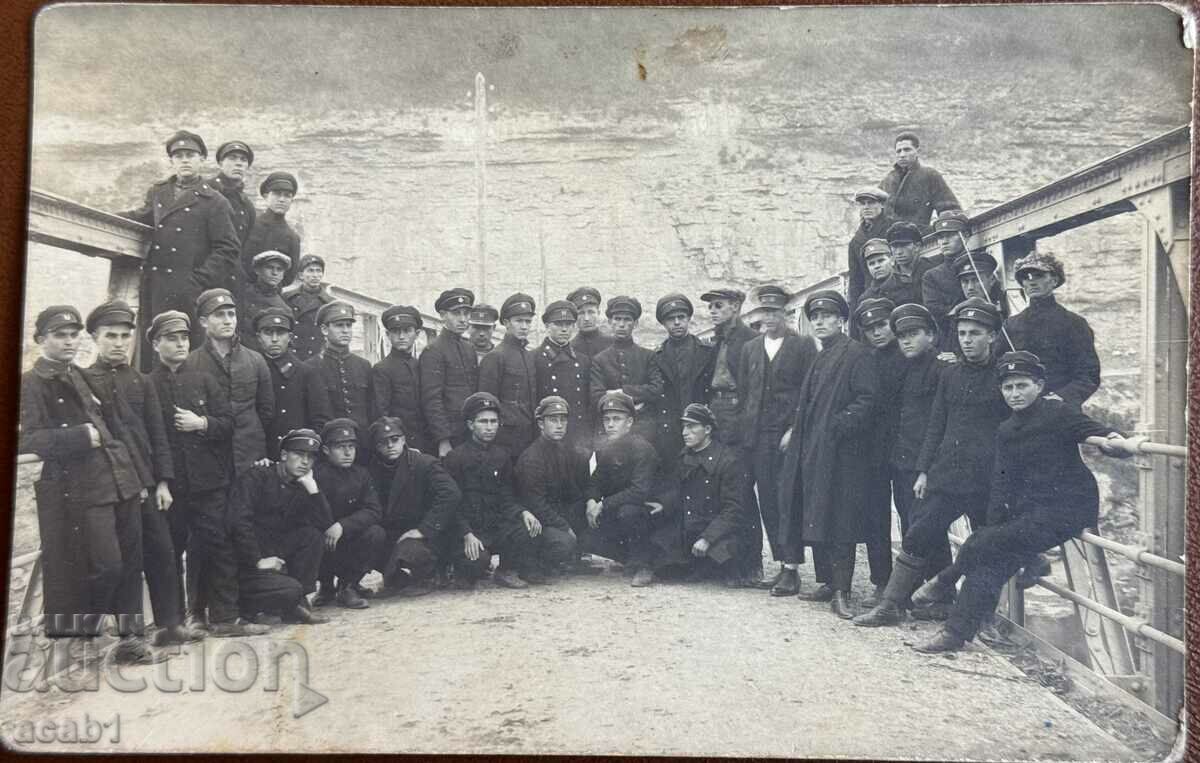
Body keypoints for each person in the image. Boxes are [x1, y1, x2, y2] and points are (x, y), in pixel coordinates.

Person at [909, 352, 1131, 652]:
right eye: (1008, 388)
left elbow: (1099, 433)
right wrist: (994, 523)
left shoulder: (1058, 414)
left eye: (1022, 386)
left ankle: (947, 580)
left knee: (983, 544)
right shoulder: (1006, 429)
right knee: (988, 559)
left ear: (1038, 386)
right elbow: (1002, 484)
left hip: (1067, 508)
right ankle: (954, 634)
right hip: (1029, 514)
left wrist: (1114, 441)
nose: (1014, 394)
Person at [19, 306, 161, 663]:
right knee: (107, 565)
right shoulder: (31, 384)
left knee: (131, 564)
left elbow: (115, 427)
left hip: (120, 479)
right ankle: (85, 633)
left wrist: (140, 478)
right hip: (83, 490)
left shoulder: (81, 375)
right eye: (59, 335)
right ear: (40, 341)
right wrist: (79, 436)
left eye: (72, 335)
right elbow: (27, 439)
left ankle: (131, 640)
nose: (68, 342)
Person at [859, 298, 1010, 627]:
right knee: (918, 534)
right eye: (963, 333)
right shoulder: (951, 374)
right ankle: (890, 605)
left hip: (988, 478)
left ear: (993, 336)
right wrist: (925, 470)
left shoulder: (1004, 376)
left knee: (986, 543)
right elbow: (936, 426)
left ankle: (979, 617)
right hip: (948, 474)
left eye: (975, 333)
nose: (967, 340)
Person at [83, 301, 204, 646]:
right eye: (110, 336)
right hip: (115, 487)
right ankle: (128, 636)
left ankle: (170, 625)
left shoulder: (141, 381)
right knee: (125, 560)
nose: (119, 343)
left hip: (148, 484)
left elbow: (157, 435)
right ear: (95, 338)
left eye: (125, 336)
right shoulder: (84, 381)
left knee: (163, 552)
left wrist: (163, 481)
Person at [147, 311, 265, 637]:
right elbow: (149, 440)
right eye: (171, 339)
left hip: (209, 482)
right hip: (171, 486)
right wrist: (161, 481)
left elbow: (228, 425)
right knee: (170, 551)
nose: (180, 344)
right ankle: (178, 622)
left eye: (184, 338)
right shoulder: (148, 385)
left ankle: (225, 618)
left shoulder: (203, 380)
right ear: (156, 344)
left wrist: (202, 423)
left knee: (219, 545)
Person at [775, 290, 878, 619]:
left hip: (842, 453)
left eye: (827, 316)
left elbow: (866, 400)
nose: (820, 322)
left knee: (839, 518)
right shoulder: (821, 354)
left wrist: (836, 427)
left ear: (842, 320)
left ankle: (842, 591)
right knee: (816, 510)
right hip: (814, 448)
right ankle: (827, 581)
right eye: (815, 317)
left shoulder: (857, 354)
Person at [853, 304, 952, 626]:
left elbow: (940, 420)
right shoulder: (902, 366)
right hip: (902, 456)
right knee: (915, 523)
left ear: (931, 335)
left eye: (912, 335)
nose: (905, 341)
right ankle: (914, 594)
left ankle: (936, 595)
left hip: (927, 460)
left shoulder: (942, 368)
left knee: (925, 527)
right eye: (903, 336)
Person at [118, 131, 241, 370]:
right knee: (152, 346)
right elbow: (142, 217)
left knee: (184, 351)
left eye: (191, 155)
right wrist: (107, 218)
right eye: (179, 156)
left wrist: (197, 280)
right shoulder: (158, 192)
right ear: (172, 161)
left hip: (187, 291)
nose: (185, 160)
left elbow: (228, 248)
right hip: (155, 284)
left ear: (202, 159)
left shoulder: (215, 201)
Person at [735, 285, 818, 590]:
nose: (769, 318)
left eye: (775, 312)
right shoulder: (751, 349)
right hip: (757, 437)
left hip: (787, 436)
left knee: (789, 499)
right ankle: (781, 563)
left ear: (786, 313)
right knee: (768, 499)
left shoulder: (803, 346)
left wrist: (795, 429)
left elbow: (810, 393)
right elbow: (746, 392)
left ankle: (792, 567)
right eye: (764, 312)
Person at [225, 428, 329, 625]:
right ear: (283, 455)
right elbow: (238, 522)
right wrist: (256, 560)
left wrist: (313, 489)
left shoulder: (303, 483)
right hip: (247, 562)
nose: (305, 462)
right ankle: (255, 608)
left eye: (310, 457)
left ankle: (297, 604)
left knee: (312, 535)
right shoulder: (257, 477)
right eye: (298, 454)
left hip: (276, 556)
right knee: (290, 589)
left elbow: (324, 525)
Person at [442, 392, 546, 589]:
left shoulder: (502, 456)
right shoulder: (455, 458)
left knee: (526, 529)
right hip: (468, 530)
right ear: (470, 425)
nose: (489, 427)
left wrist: (523, 512)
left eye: (493, 421)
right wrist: (466, 533)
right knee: (474, 566)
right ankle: (460, 568)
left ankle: (506, 570)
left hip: (493, 527)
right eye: (483, 422)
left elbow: (507, 496)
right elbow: (450, 504)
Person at [648, 403, 746, 587]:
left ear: (707, 429)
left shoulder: (727, 461)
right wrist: (665, 504)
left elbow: (733, 510)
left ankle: (715, 568)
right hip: (692, 527)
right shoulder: (685, 455)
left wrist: (707, 538)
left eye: (692, 426)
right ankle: (699, 566)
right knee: (661, 558)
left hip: (716, 532)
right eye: (684, 426)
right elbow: (680, 490)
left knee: (724, 555)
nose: (685, 432)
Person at [849, 298, 907, 606]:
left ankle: (914, 585)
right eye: (870, 329)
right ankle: (881, 580)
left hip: (905, 446)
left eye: (882, 325)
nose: (877, 333)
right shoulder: (865, 359)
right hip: (873, 448)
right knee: (875, 516)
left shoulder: (908, 355)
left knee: (912, 515)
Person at [182, 289, 274, 476]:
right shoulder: (190, 363)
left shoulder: (255, 360)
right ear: (203, 322)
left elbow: (266, 411)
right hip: (209, 459)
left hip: (249, 457)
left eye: (231, 314)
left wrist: (257, 448)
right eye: (219, 315)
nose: (227, 320)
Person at [700, 287, 759, 582]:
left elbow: (753, 388)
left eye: (718, 306)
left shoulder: (748, 339)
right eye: (710, 307)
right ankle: (726, 564)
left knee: (742, 492)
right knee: (720, 488)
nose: (713, 311)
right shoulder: (719, 339)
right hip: (717, 412)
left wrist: (744, 424)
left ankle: (751, 564)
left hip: (737, 415)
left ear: (735, 307)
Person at [367, 416, 460, 596]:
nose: (390, 446)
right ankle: (396, 577)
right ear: (376, 446)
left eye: (395, 440)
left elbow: (451, 493)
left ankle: (428, 576)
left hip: (423, 532)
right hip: (391, 531)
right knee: (372, 537)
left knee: (410, 548)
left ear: (403, 440)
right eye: (383, 442)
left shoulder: (423, 462)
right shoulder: (373, 468)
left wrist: (424, 529)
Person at [1004, 251, 1101, 409]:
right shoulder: (1011, 325)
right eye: (1026, 277)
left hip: (1060, 410)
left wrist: (1062, 397)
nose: (1032, 282)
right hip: (1020, 410)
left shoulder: (1074, 323)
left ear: (1054, 280)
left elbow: (1089, 375)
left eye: (1039, 276)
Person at [586, 391, 661, 587]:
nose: (610, 424)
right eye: (607, 419)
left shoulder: (642, 449)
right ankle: (627, 558)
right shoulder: (607, 448)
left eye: (616, 419)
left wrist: (602, 505)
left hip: (647, 512)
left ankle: (644, 565)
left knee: (629, 512)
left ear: (629, 423)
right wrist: (591, 501)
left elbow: (639, 491)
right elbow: (596, 481)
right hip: (618, 509)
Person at [311, 419, 386, 609]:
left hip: (348, 538)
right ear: (326, 450)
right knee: (308, 535)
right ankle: (326, 586)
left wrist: (342, 526)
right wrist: (329, 527)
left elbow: (374, 510)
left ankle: (349, 586)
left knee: (375, 533)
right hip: (323, 540)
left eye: (351, 446)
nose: (347, 452)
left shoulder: (361, 474)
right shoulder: (314, 475)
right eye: (340, 447)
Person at [513, 396, 583, 578]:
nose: (559, 425)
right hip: (536, 520)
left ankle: (561, 562)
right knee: (564, 542)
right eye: (553, 420)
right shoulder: (532, 457)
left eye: (563, 420)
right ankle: (534, 565)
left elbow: (572, 492)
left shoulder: (564, 450)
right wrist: (566, 527)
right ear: (541, 424)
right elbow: (535, 503)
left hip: (554, 514)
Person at [646, 293, 713, 473]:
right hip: (670, 431)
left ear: (689, 318)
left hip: (701, 428)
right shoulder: (656, 357)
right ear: (663, 323)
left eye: (681, 317)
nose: (677, 322)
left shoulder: (708, 352)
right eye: (670, 319)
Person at [255, 307, 332, 457]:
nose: (275, 339)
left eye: (281, 333)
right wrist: (259, 454)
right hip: (262, 457)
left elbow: (321, 420)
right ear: (258, 337)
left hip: (297, 457)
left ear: (290, 337)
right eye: (268, 333)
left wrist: (304, 452)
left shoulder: (307, 373)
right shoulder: (251, 371)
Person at [589, 295, 658, 446]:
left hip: (643, 429)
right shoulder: (600, 360)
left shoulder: (648, 357)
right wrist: (637, 399)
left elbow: (656, 389)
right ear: (609, 322)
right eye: (617, 319)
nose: (622, 324)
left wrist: (620, 392)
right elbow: (596, 395)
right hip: (610, 432)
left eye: (627, 320)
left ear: (636, 323)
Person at [306, 301, 371, 459]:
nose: (345, 331)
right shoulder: (310, 368)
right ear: (324, 329)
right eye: (339, 325)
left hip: (362, 447)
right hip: (329, 449)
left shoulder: (363, 365)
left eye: (349, 325)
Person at [420, 288, 479, 457]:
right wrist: (443, 440)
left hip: (470, 431)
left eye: (466, 313)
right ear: (443, 315)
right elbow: (432, 399)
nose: (463, 319)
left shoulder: (469, 348)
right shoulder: (434, 351)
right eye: (456, 314)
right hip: (449, 436)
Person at [478, 293, 538, 453]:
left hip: (530, 436)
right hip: (505, 440)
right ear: (506, 323)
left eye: (528, 321)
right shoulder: (495, 357)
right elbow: (487, 403)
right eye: (519, 321)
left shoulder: (529, 356)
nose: (524, 326)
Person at [535, 300, 593, 459]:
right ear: (547, 326)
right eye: (558, 323)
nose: (564, 328)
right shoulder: (534, 358)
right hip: (547, 437)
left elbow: (587, 402)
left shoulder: (583, 361)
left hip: (577, 437)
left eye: (569, 324)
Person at [370, 305, 430, 454]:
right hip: (398, 445)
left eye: (407, 331)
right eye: (396, 331)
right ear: (388, 334)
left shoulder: (421, 365)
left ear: (416, 334)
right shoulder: (382, 369)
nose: (401, 336)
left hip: (426, 443)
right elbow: (381, 413)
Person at [879, 131, 961, 232]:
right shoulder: (888, 180)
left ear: (918, 151)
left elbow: (950, 209)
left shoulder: (929, 175)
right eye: (898, 151)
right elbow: (874, 211)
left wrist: (938, 231)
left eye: (907, 150)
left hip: (918, 239)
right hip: (889, 240)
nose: (902, 155)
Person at [920, 211, 971, 350]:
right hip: (950, 341)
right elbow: (934, 311)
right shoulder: (932, 276)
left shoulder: (979, 267)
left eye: (950, 235)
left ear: (965, 236)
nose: (944, 241)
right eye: (940, 237)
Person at [241, 171, 302, 287]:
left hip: (271, 297)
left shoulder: (292, 238)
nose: (282, 199)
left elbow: (289, 277)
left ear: (291, 201)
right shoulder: (249, 225)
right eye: (277, 194)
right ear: (265, 196)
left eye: (287, 196)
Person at [847, 187, 896, 315]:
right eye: (863, 204)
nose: (866, 207)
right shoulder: (855, 241)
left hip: (896, 290)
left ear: (882, 204)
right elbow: (855, 281)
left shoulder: (894, 228)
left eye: (871, 202)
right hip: (871, 297)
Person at [283, 255, 335, 362]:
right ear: (301, 275)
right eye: (310, 271)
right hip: (292, 356)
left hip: (317, 358)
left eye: (318, 271)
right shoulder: (287, 298)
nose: (315, 275)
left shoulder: (330, 303)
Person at [238, 250, 292, 353]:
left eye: (279, 269)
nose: (275, 273)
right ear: (257, 270)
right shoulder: (241, 293)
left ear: (283, 275)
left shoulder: (283, 308)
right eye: (270, 267)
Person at [868, 221, 930, 307]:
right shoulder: (887, 288)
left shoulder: (933, 271)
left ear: (917, 246)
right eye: (894, 246)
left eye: (904, 245)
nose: (899, 252)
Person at [209, 140, 256, 245]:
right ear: (221, 163)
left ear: (247, 167)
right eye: (232, 158)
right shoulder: (207, 190)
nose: (238, 163)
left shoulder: (247, 205)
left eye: (243, 160)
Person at [568, 286, 614, 359]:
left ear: (598, 313)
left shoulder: (613, 344)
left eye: (591, 312)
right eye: (581, 313)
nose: (586, 318)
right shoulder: (569, 349)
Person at [858, 239, 895, 303]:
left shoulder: (907, 286)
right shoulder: (866, 298)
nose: (877, 266)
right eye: (871, 264)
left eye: (881, 261)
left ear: (892, 260)